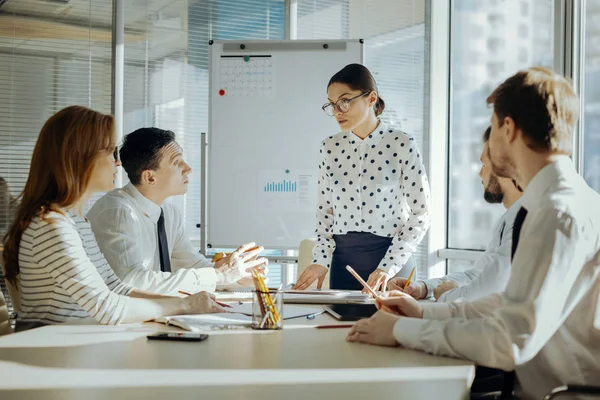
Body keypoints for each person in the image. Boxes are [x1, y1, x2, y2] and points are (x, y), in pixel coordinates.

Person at [346, 67, 600, 399]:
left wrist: (402, 330)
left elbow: (509, 340)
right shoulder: (555, 204)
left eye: (492, 127)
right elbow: (509, 304)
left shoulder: (556, 214)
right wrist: (424, 311)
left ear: (507, 128)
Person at [1, 106, 237, 330]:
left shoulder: (75, 222)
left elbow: (116, 289)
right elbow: (107, 307)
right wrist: (184, 305)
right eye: (108, 152)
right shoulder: (50, 225)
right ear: (79, 160)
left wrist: (191, 302)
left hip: (79, 344)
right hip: (53, 354)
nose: (117, 162)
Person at [294, 63, 431, 292]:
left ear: (371, 98)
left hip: (392, 264)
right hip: (344, 264)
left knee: (393, 327)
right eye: (332, 104)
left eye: (345, 101)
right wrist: (320, 260)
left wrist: (388, 267)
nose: (338, 110)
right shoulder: (329, 147)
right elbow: (325, 212)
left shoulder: (401, 144)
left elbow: (421, 213)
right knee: (340, 327)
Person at [87, 128, 267, 294]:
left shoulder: (169, 213)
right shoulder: (118, 212)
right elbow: (131, 281)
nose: (188, 169)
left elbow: (192, 265)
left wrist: (239, 276)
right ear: (150, 177)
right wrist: (219, 275)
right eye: (176, 162)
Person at [388, 126, 523, 302]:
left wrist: (448, 295)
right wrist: (423, 287)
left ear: (503, 166)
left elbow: (490, 289)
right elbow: (477, 275)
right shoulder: (508, 218)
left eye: (484, 165)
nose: (480, 173)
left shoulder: (523, 220)